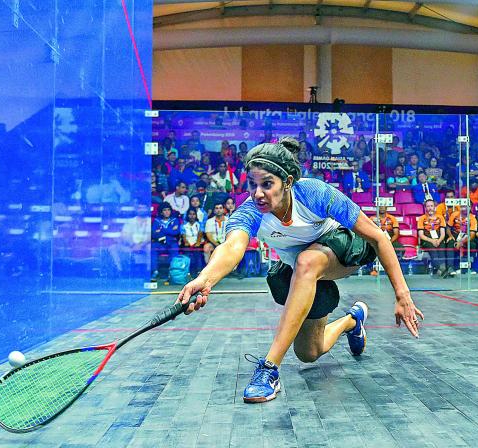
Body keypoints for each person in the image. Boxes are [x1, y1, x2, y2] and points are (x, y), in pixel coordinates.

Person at [177, 137, 423, 403]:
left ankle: (269, 369)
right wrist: (204, 279)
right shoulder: (250, 211)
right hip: (305, 274)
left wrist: (402, 294)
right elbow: (232, 247)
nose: (258, 193)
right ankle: (352, 321)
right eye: (252, 184)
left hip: (344, 251)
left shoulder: (314, 193)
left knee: (307, 260)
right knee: (309, 352)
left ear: (288, 183)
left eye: (267, 184)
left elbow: (379, 237)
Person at [417, 199, 450, 277]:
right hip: (427, 239)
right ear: (425, 208)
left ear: (435, 207)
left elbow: (443, 233)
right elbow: (421, 235)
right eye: (428, 206)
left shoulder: (440, 217)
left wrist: (439, 240)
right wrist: (432, 240)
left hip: (439, 238)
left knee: (441, 247)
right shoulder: (422, 218)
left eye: (431, 206)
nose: (430, 208)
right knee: (433, 250)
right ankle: (442, 268)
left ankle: (441, 269)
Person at [151, 202, 181, 282]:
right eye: (165, 210)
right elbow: (154, 234)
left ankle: (172, 272)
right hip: (160, 243)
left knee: (174, 249)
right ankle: (154, 271)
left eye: (168, 210)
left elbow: (176, 232)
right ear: (161, 212)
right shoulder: (157, 221)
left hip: (172, 242)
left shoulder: (175, 220)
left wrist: (162, 230)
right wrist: (170, 230)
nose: (167, 212)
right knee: (153, 248)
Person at [181, 208, 205, 277]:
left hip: (197, 243)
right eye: (190, 214)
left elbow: (200, 234)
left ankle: (199, 272)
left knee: (197, 252)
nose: (192, 216)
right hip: (187, 243)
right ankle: (187, 272)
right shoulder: (184, 225)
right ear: (187, 215)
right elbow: (183, 235)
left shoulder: (199, 224)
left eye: (193, 214)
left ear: (196, 215)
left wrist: (197, 242)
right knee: (187, 252)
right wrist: (186, 242)